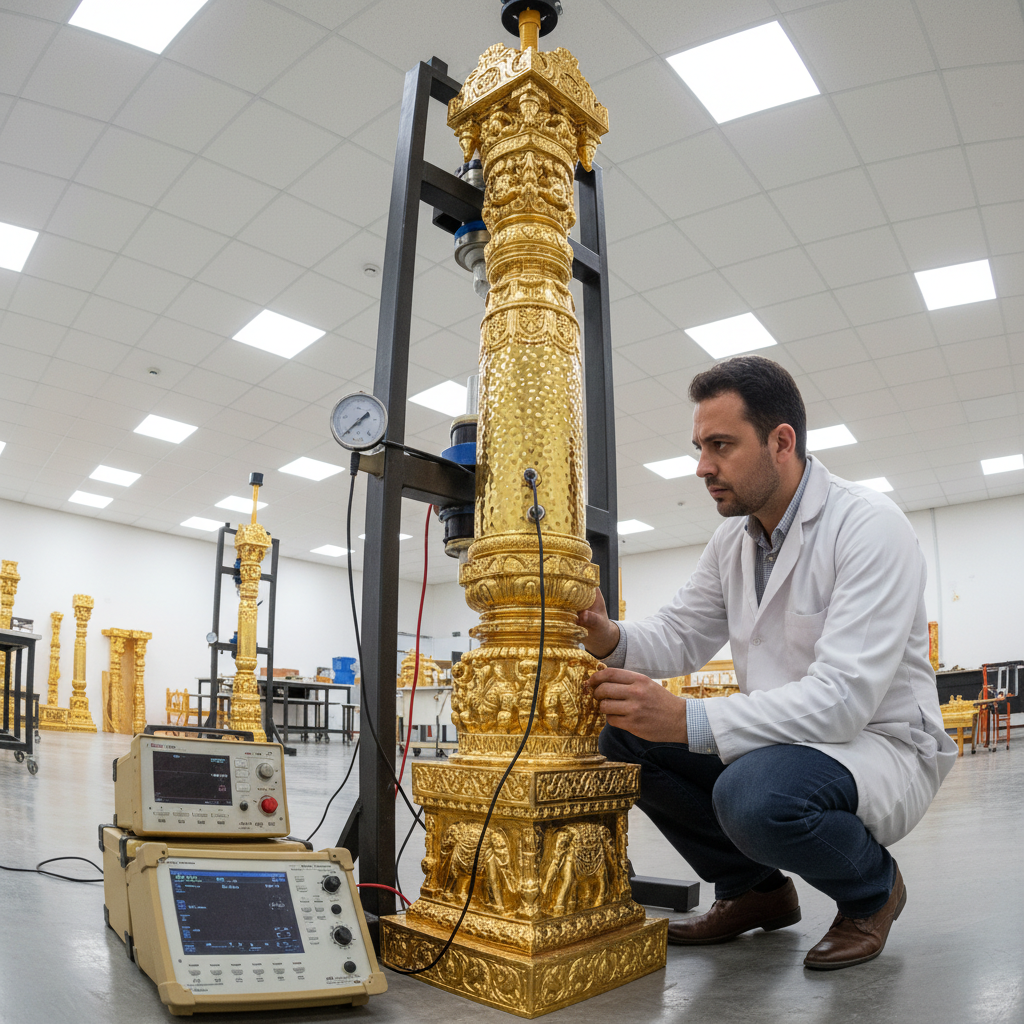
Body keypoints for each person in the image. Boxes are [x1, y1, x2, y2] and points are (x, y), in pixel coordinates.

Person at [581, 355, 956, 970]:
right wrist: (607, 635)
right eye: (701, 447)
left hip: (877, 743)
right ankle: (754, 890)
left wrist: (689, 720)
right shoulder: (733, 539)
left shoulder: (868, 526)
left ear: (781, 442)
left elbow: (843, 701)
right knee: (624, 734)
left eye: (721, 445)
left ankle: (872, 891)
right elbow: (680, 633)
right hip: (781, 741)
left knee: (753, 796)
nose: (703, 467)